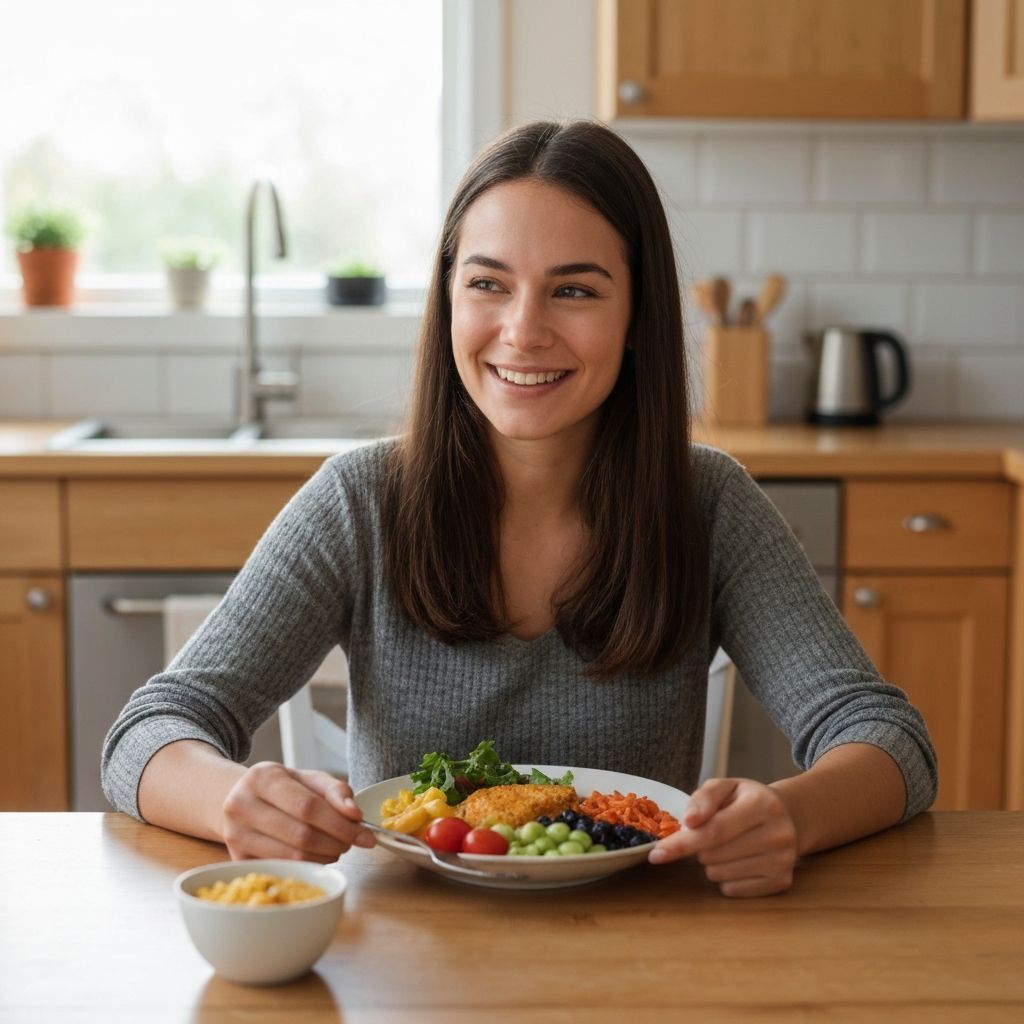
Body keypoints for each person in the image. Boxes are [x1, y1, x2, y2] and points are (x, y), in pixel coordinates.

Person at [102, 120, 936, 897]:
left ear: (639, 316)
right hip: (404, 961)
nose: (523, 330)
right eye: (488, 284)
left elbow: (887, 737)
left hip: (638, 954)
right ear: (450, 303)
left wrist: (791, 816)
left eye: (574, 291)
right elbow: (150, 729)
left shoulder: (710, 504)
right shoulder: (358, 501)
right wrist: (233, 800)